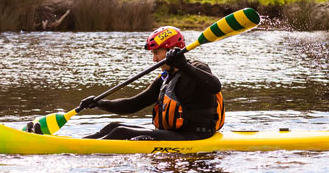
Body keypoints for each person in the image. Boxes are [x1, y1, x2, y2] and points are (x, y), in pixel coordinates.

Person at [79, 26, 225, 141]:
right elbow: (134, 104)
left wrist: (184, 66)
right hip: (173, 134)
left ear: (170, 51)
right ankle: (77, 143)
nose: (154, 60)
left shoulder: (198, 68)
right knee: (112, 127)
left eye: (156, 53)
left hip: (196, 136)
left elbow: (215, 86)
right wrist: (99, 103)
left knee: (121, 132)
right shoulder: (166, 78)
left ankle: (83, 152)